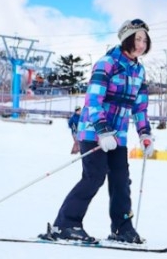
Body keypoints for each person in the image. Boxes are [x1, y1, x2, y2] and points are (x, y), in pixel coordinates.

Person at [40, 19, 155, 244]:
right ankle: (66, 224)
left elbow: (139, 107)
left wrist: (144, 134)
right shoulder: (107, 63)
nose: (141, 44)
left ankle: (122, 228)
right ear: (126, 39)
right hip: (94, 131)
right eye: (137, 39)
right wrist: (102, 130)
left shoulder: (139, 70)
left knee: (121, 180)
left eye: (145, 40)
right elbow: (93, 100)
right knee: (95, 176)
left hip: (118, 135)